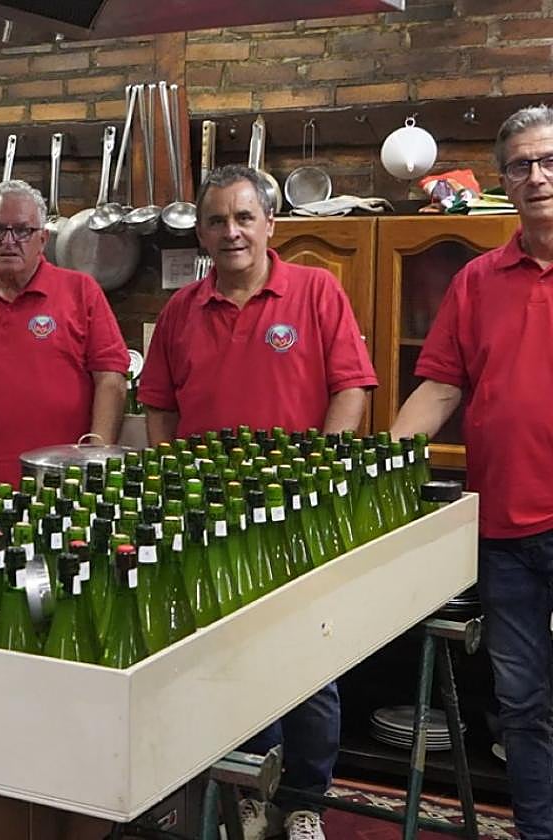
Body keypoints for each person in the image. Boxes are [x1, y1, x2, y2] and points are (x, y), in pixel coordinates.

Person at [139, 164, 378, 840]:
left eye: (244, 218)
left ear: (270, 224)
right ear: (202, 234)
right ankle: (245, 789)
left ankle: (303, 800)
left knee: (309, 663)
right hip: (209, 521)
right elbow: (158, 403)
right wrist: (170, 470)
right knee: (224, 661)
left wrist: (321, 472)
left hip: (299, 516)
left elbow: (352, 389)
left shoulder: (317, 291)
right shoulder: (183, 310)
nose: (231, 232)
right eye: (217, 220)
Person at [392, 105, 553, 840]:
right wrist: (384, 459)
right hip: (507, 526)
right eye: (520, 164)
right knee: (521, 703)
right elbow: (442, 386)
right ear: (504, 181)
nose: (537, 176)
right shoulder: (478, 280)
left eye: (548, 160)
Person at [0, 179, 127, 490]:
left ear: (43, 239)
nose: (9, 240)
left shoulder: (81, 290)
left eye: (22, 230)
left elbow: (111, 379)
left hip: (69, 483)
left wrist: (95, 458)